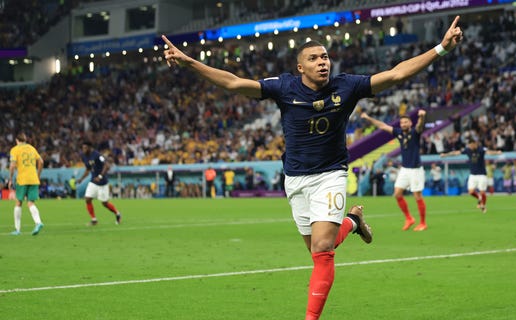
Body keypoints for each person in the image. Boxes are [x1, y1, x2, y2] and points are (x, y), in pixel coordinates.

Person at [162, 15, 462, 319]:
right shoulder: (284, 88)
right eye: (314, 58)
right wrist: (190, 62)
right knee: (320, 249)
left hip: (330, 175)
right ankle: (354, 221)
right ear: (300, 67)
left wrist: (441, 48)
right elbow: (234, 83)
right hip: (295, 180)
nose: (323, 62)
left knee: (322, 251)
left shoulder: (347, 86)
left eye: (325, 57)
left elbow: (395, 75)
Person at [361, 110, 428, 231]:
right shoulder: (399, 133)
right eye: (401, 122)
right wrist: (368, 117)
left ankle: (423, 223)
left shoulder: (415, 133)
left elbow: (420, 125)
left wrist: (422, 117)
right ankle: (409, 218)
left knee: (417, 196)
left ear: (410, 123)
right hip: (405, 169)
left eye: (406, 122)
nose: (403, 124)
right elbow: (382, 126)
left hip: (416, 170)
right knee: (397, 194)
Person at [440, 139, 502, 213]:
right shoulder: (468, 150)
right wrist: (446, 155)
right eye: (469, 145)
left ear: (475, 144)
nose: (471, 147)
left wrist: (497, 152)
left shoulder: (481, 149)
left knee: (482, 192)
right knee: (471, 191)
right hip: (473, 174)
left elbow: (489, 152)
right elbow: (456, 153)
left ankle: (483, 205)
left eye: (472, 145)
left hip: (482, 174)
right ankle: (479, 198)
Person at [77, 141, 122, 226]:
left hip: (102, 182)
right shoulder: (84, 157)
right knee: (87, 199)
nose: (84, 150)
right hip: (93, 181)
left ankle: (117, 214)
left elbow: (107, 166)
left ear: (90, 148)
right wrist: (81, 179)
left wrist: (100, 176)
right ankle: (94, 220)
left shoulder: (97, 155)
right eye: (83, 148)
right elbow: (88, 169)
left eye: (85, 148)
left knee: (104, 203)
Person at [8, 133, 44, 235]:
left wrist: (10, 179)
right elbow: (41, 161)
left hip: (22, 179)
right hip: (33, 179)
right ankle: (38, 222)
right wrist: (38, 175)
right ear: (25, 140)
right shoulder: (32, 148)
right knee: (30, 203)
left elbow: (12, 166)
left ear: (16, 140)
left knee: (18, 202)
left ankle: (17, 230)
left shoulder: (15, 150)